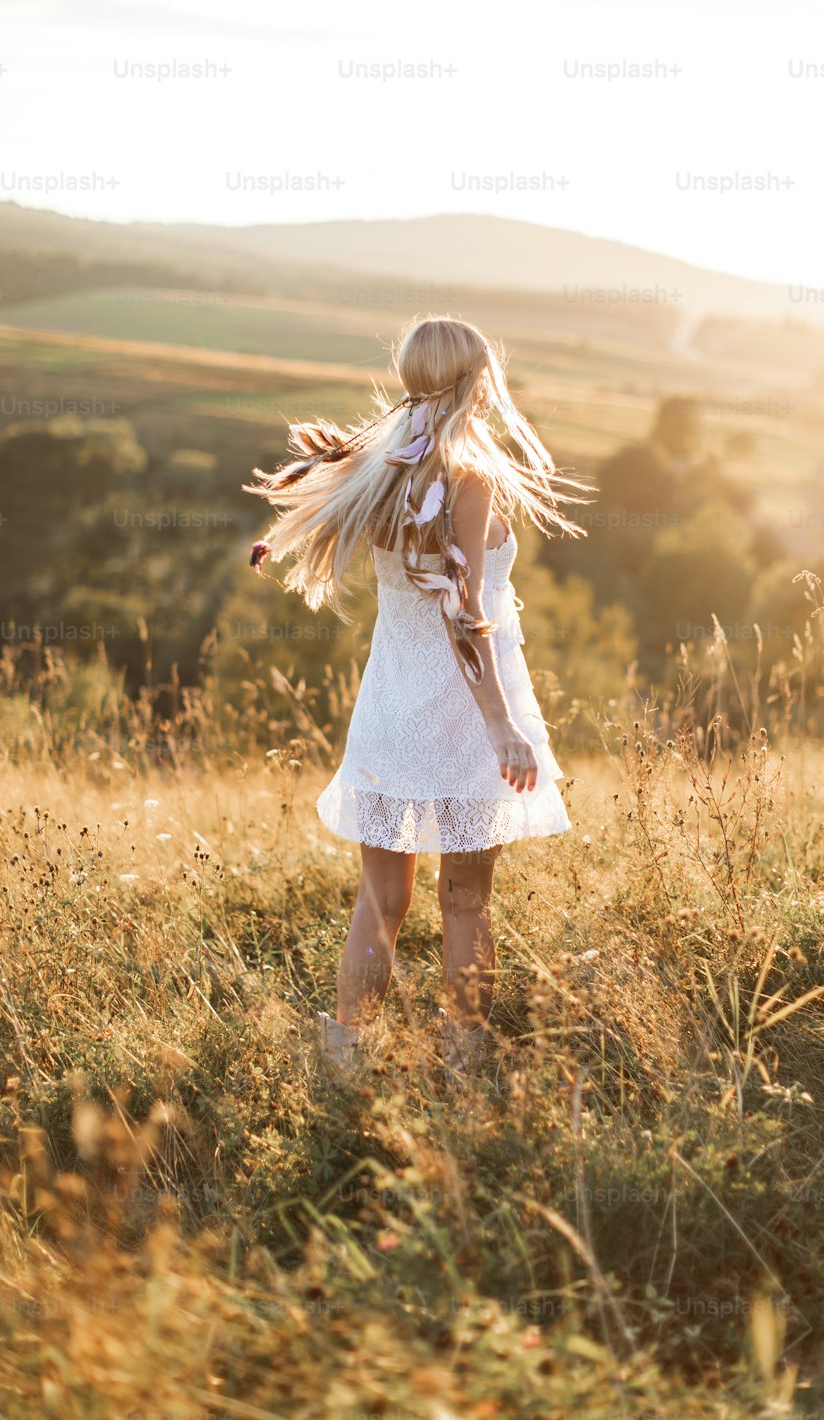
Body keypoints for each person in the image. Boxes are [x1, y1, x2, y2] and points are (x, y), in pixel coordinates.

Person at [246, 316, 594, 1075]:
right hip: (465, 712)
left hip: (390, 708)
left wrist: (276, 539)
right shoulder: (466, 478)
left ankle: (346, 1060)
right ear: (479, 380)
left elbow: (320, 505)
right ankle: (465, 1063)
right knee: (465, 901)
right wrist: (502, 726)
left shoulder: (381, 465)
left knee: (379, 903)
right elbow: (462, 611)